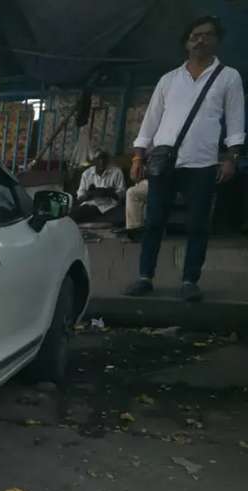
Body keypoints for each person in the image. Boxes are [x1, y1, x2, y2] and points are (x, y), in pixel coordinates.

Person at [125, 15, 244, 302]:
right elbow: (151, 120)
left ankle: (190, 280)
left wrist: (231, 157)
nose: (200, 39)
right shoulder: (169, 79)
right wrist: (138, 156)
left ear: (216, 40)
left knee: (198, 225)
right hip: (164, 162)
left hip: (202, 164)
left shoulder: (228, 76)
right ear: (186, 43)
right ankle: (145, 277)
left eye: (206, 35)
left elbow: (236, 120)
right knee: (154, 222)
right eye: (195, 36)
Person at [71, 150, 126, 224]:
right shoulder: (86, 174)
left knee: (123, 217)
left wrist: (108, 193)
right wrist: (90, 194)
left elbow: (122, 194)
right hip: (91, 205)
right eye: (99, 159)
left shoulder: (117, 172)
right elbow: (80, 197)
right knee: (73, 216)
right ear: (94, 161)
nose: (102, 161)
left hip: (110, 206)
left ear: (108, 160)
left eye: (104, 158)